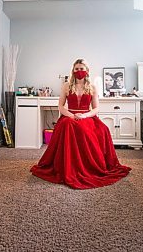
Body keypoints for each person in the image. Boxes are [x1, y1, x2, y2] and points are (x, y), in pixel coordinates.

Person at [30, 59, 131, 189]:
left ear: (87, 71)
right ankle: (69, 166)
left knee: (103, 129)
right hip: (69, 116)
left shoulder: (92, 87)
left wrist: (84, 115)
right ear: (73, 71)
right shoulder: (66, 86)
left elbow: (95, 109)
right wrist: (72, 115)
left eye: (82, 69)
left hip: (86, 116)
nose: (79, 71)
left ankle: (90, 165)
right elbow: (60, 106)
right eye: (77, 69)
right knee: (68, 125)